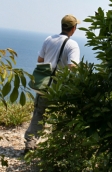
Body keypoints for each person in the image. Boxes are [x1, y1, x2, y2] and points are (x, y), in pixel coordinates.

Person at [24, 14, 81, 152]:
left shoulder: (49, 39)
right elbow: (72, 67)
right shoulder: (72, 44)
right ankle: (59, 147)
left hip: (44, 84)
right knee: (62, 115)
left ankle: (30, 144)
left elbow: (40, 59)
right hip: (60, 86)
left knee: (39, 112)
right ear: (73, 28)